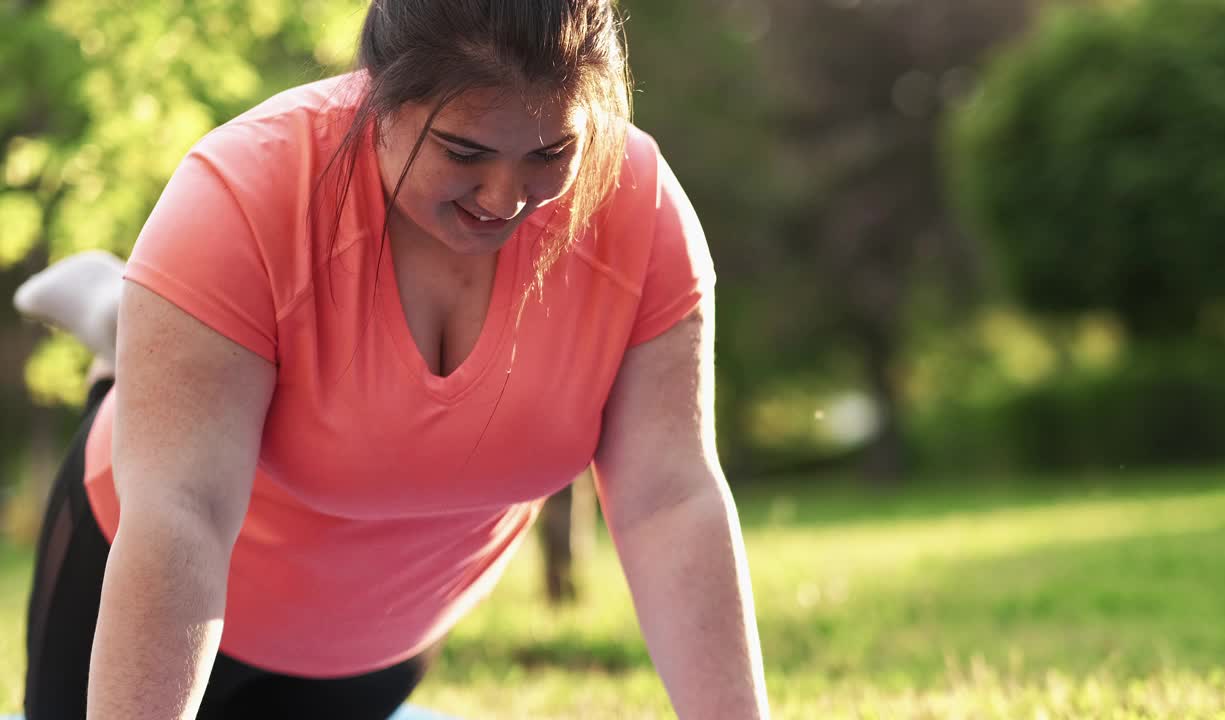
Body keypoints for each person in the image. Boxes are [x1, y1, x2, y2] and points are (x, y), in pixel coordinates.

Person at [14, 2, 770, 718]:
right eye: (463, 151)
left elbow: (670, 501)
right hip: (160, 569)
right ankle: (133, 325)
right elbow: (185, 517)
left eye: (551, 152)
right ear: (375, 99)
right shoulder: (239, 195)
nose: (505, 197)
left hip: (378, 637)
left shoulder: (640, 212)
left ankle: (136, 323)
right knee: (184, 391)